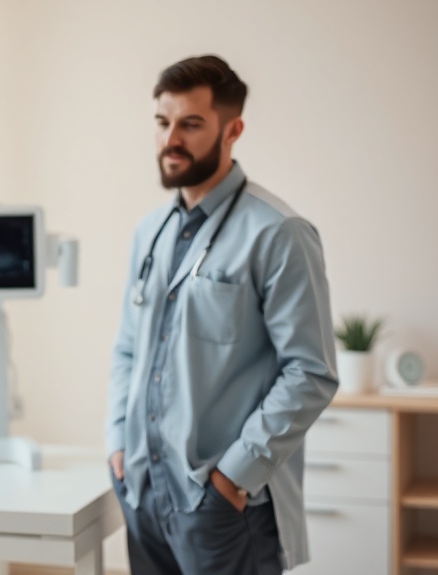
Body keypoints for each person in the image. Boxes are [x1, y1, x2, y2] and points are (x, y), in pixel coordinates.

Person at [105, 55, 339, 575]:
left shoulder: (279, 232)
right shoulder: (150, 232)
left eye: (191, 124)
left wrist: (232, 478)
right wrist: (117, 444)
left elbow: (311, 372)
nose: (172, 140)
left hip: (222, 506)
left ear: (232, 130)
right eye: (163, 123)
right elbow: (127, 347)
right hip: (144, 493)